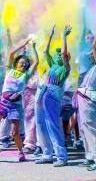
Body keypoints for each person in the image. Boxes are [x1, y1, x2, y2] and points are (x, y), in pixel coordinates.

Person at [0, 37, 39, 163]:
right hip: (2, 103)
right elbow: (11, 53)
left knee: (15, 133)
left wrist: (33, 48)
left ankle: (21, 152)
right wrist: (24, 43)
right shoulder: (10, 70)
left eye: (26, 63)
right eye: (22, 62)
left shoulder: (26, 75)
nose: (24, 64)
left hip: (15, 106)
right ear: (16, 63)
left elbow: (36, 62)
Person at [34, 25, 72, 167]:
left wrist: (63, 36)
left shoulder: (65, 68)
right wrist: (51, 35)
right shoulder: (52, 66)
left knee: (53, 125)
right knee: (41, 124)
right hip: (42, 95)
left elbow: (63, 53)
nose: (57, 55)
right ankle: (47, 154)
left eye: (60, 54)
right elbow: (45, 51)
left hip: (52, 96)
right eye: (56, 54)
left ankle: (62, 156)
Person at [76, 20, 96, 170]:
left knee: (90, 128)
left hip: (89, 99)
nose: (92, 55)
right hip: (83, 97)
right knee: (84, 128)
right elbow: (89, 48)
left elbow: (94, 47)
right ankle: (89, 156)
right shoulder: (92, 68)